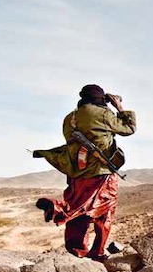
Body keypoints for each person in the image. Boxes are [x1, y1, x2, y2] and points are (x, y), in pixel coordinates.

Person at [33, 84, 136, 261]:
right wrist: (118, 107)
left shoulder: (69, 118)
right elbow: (129, 129)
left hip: (76, 174)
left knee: (78, 211)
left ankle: (76, 250)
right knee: (104, 213)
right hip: (101, 173)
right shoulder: (104, 114)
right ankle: (97, 252)